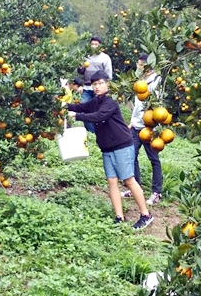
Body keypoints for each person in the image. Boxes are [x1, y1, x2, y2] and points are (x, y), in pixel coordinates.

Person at [67, 70, 154, 229]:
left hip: (121, 145)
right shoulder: (97, 100)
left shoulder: (110, 101)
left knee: (129, 180)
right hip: (107, 148)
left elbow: (99, 116)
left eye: (100, 83)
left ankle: (146, 215)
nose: (97, 87)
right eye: (94, 84)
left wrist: (75, 116)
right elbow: (83, 107)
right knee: (112, 182)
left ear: (108, 84)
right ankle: (119, 217)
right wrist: (64, 106)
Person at [122, 54, 163, 205]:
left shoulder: (157, 81)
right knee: (131, 157)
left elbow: (155, 104)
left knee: (154, 159)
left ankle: (156, 192)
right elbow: (137, 105)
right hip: (136, 126)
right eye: (138, 64)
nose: (138, 67)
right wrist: (132, 121)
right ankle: (135, 188)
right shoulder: (140, 81)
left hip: (149, 127)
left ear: (148, 65)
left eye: (141, 65)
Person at [77, 37, 112, 133]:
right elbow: (81, 72)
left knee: (98, 111)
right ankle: (92, 132)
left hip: (99, 88)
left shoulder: (105, 58)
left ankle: (100, 132)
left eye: (96, 44)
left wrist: (107, 87)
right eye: (92, 44)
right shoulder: (86, 57)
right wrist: (80, 66)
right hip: (87, 87)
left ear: (100, 46)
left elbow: (108, 74)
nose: (94, 46)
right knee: (84, 110)